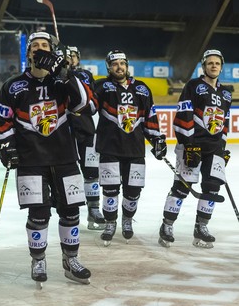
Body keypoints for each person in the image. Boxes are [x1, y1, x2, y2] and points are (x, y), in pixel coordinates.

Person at [0, 31, 93, 285]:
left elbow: (85, 105)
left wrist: (66, 74)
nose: (39, 48)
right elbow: (2, 119)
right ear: (29, 53)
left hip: (65, 158)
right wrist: (6, 145)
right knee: (38, 214)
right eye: (35, 45)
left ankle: (71, 259)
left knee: (70, 212)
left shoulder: (62, 82)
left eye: (44, 45)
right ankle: (38, 259)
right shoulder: (12, 86)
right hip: (30, 161)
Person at [158, 49, 232, 249]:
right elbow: (184, 114)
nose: (214, 66)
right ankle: (167, 225)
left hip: (214, 148)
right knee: (183, 186)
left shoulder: (226, 93)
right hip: (193, 145)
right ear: (203, 66)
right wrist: (188, 145)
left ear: (221, 67)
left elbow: (225, 123)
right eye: (210, 63)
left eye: (217, 63)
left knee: (212, 187)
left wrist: (222, 148)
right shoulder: (193, 86)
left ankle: (201, 227)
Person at [94, 50, 166, 246]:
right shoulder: (101, 86)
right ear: (108, 67)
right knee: (109, 190)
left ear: (127, 65)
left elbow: (149, 116)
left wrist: (157, 139)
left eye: (122, 63)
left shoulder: (142, 88)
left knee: (133, 191)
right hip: (109, 147)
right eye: (115, 63)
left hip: (134, 149)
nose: (119, 67)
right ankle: (110, 222)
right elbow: (88, 106)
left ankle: (127, 219)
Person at [66, 46, 105, 230]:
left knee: (91, 171)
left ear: (78, 58)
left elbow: (92, 105)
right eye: (66, 56)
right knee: (69, 174)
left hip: (86, 129)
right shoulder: (55, 75)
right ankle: (71, 211)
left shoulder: (85, 75)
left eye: (72, 56)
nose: (70, 59)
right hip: (64, 133)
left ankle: (93, 210)